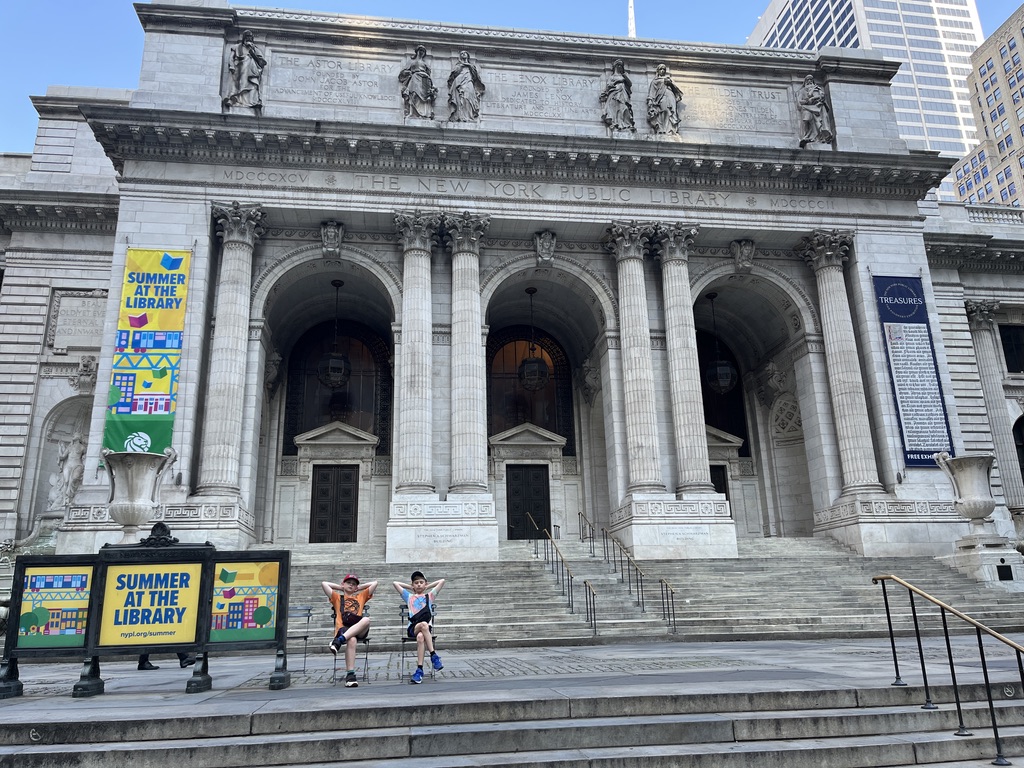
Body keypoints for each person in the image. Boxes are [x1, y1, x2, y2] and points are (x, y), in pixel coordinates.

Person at [322, 573, 377, 687]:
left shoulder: (360, 597)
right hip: (343, 629)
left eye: (353, 584)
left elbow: (374, 583)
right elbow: (324, 584)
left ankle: (338, 641)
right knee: (352, 640)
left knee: (366, 620)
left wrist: (358, 588)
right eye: (348, 583)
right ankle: (350, 676)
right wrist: (341, 588)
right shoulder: (337, 598)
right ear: (343, 584)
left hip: (359, 630)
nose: (351, 585)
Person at [393, 571, 445, 684]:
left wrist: (427, 586)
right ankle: (433, 655)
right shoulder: (409, 597)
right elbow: (395, 583)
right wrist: (411, 587)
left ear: (425, 584)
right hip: (413, 628)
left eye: (421, 582)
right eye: (416, 583)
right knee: (424, 624)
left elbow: (442, 581)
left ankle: (419, 670)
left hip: (424, 631)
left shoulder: (429, 596)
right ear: (413, 585)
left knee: (421, 637)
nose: (419, 585)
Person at [224, 30, 267, 110]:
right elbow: (231, 58)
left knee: (253, 85)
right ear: (244, 38)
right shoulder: (237, 47)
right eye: (247, 37)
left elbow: (262, 62)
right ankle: (235, 99)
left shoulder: (255, 49)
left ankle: (252, 101)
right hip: (239, 70)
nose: (249, 38)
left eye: (250, 37)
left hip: (252, 72)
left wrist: (252, 51)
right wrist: (232, 65)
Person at [399, 45, 437, 119]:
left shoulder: (425, 64)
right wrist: (409, 72)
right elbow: (403, 71)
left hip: (425, 80)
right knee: (413, 94)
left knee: (426, 97)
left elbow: (429, 74)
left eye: (423, 51)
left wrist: (432, 85)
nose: (422, 52)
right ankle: (412, 113)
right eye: (420, 50)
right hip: (415, 78)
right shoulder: (412, 62)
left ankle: (424, 114)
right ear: (417, 51)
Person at [447, 50, 485, 122]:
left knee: (468, 97)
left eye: (465, 53)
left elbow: (475, 76)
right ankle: (460, 116)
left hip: (468, 81)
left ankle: (469, 116)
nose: (463, 54)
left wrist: (469, 67)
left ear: (468, 56)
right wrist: (461, 66)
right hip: (459, 83)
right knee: (460, 98)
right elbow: (453, 75)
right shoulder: (458, 66)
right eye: (461, 53)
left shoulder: (472, 66)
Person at [797, 74, 834, 147]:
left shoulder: (817, 89)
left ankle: (818, 137)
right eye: (808, 80)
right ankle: (807, 135)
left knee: (818, 122)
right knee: (806, 120)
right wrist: (807, 101)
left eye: (811, 80)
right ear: (805, 82)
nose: (809, 81)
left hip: (818, 107)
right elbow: (799, 101)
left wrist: (815, 98)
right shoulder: (802, 91)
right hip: (807, 107)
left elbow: (822, 97)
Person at [646, 64, 683, 135]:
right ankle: (662, 129)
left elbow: (676, 90)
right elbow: (652, 91)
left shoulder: (668, 79)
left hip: (670, 96)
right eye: (661, 69)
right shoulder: (655, 81)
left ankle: (670, 129)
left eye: (664, 69)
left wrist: (670, 84)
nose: (662, 71)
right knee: (664, 110)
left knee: (672, 112)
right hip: (661, 97)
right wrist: (650, 100)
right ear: (658, 71)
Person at [600, 59, 634, 132]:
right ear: (615, 66)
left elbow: (630, 84)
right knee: (615, 109)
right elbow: (609, 85)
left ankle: (625, 124)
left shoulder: (623, 76)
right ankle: (617, 124)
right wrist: (618, 81)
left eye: (621, 66)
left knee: (624, 108)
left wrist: (624, 75)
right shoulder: (612, 77)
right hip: (614, 94)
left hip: (623, 94)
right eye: (618, 65)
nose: (619, 67)